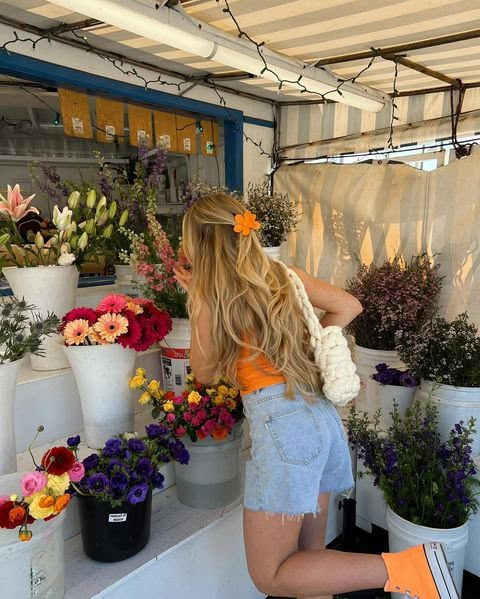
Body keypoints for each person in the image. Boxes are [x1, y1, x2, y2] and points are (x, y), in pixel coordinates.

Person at [174, 191, 458, 599]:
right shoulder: (285, 277)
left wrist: (199, 300)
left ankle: (410, 568)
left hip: (281, 432)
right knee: (310, 554)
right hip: (318, 417)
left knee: (270, 575)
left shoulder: (214, 298)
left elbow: (202, 372)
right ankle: (411, 569)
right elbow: (348, 306)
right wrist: (302, 343)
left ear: (200, 244)